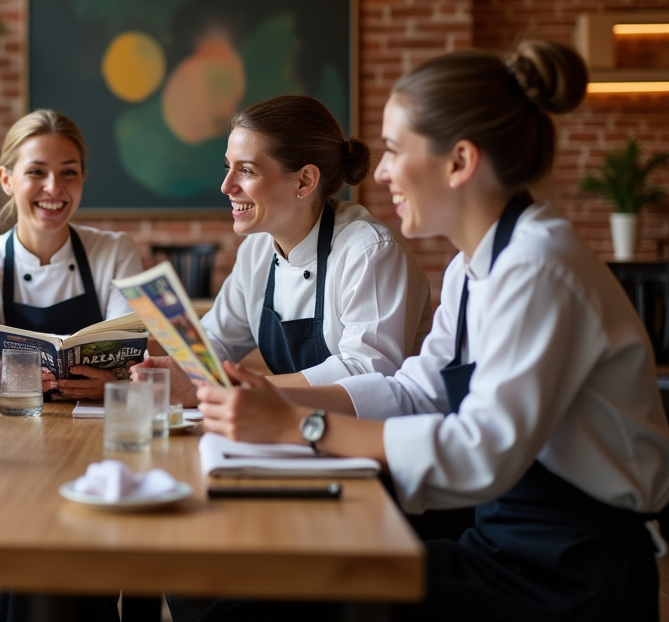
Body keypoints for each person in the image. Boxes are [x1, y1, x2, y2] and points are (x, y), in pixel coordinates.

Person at [195, 42, 669, 621]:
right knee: (258, 593)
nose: (381, 171)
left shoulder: (538, 268)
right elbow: (417, 391)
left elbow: (482, 449)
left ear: (459, 162)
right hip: (502, 544)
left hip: (572, 576)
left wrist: (301, 425)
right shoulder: (474, 266)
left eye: (395, 150)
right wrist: (276, 401)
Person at [139, 95, 431, 406]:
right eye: (228, 166)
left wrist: (236, 389)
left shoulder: (371, 252)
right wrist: (150, 368)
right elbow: (216, 340)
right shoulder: (255, 251)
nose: (226, 186)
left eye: (246, 170)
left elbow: (367, 374)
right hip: (294, 427)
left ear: (304, 181)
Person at [0, 110, 143, 401]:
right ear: (6, 179)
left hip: (97, 415)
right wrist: (19, 377)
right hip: (11, 413)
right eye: (36, 172)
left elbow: (130, 338)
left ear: (83, 178)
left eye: (69, 172)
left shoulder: (116, 251)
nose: (53, 187)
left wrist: (113, 381)